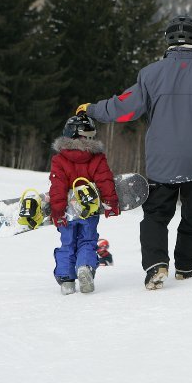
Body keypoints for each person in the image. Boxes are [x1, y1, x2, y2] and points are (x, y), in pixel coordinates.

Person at [77, 14, 192, 290]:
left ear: (168, 39)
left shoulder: (151, 74)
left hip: (162, 161)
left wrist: (92, 110)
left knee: (156, 215)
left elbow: (125, 108)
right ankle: (187, 267)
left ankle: (156, 265)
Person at [49, 114, 120, 295]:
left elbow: (57, 187)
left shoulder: (59, 159)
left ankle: (66, 281)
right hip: (89, 210)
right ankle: (85, 267)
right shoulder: (97, 157)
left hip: (67, 213)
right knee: (87, 241)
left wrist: (57, 211)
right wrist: (110, 202)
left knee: (67, 244)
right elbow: (105, 180)